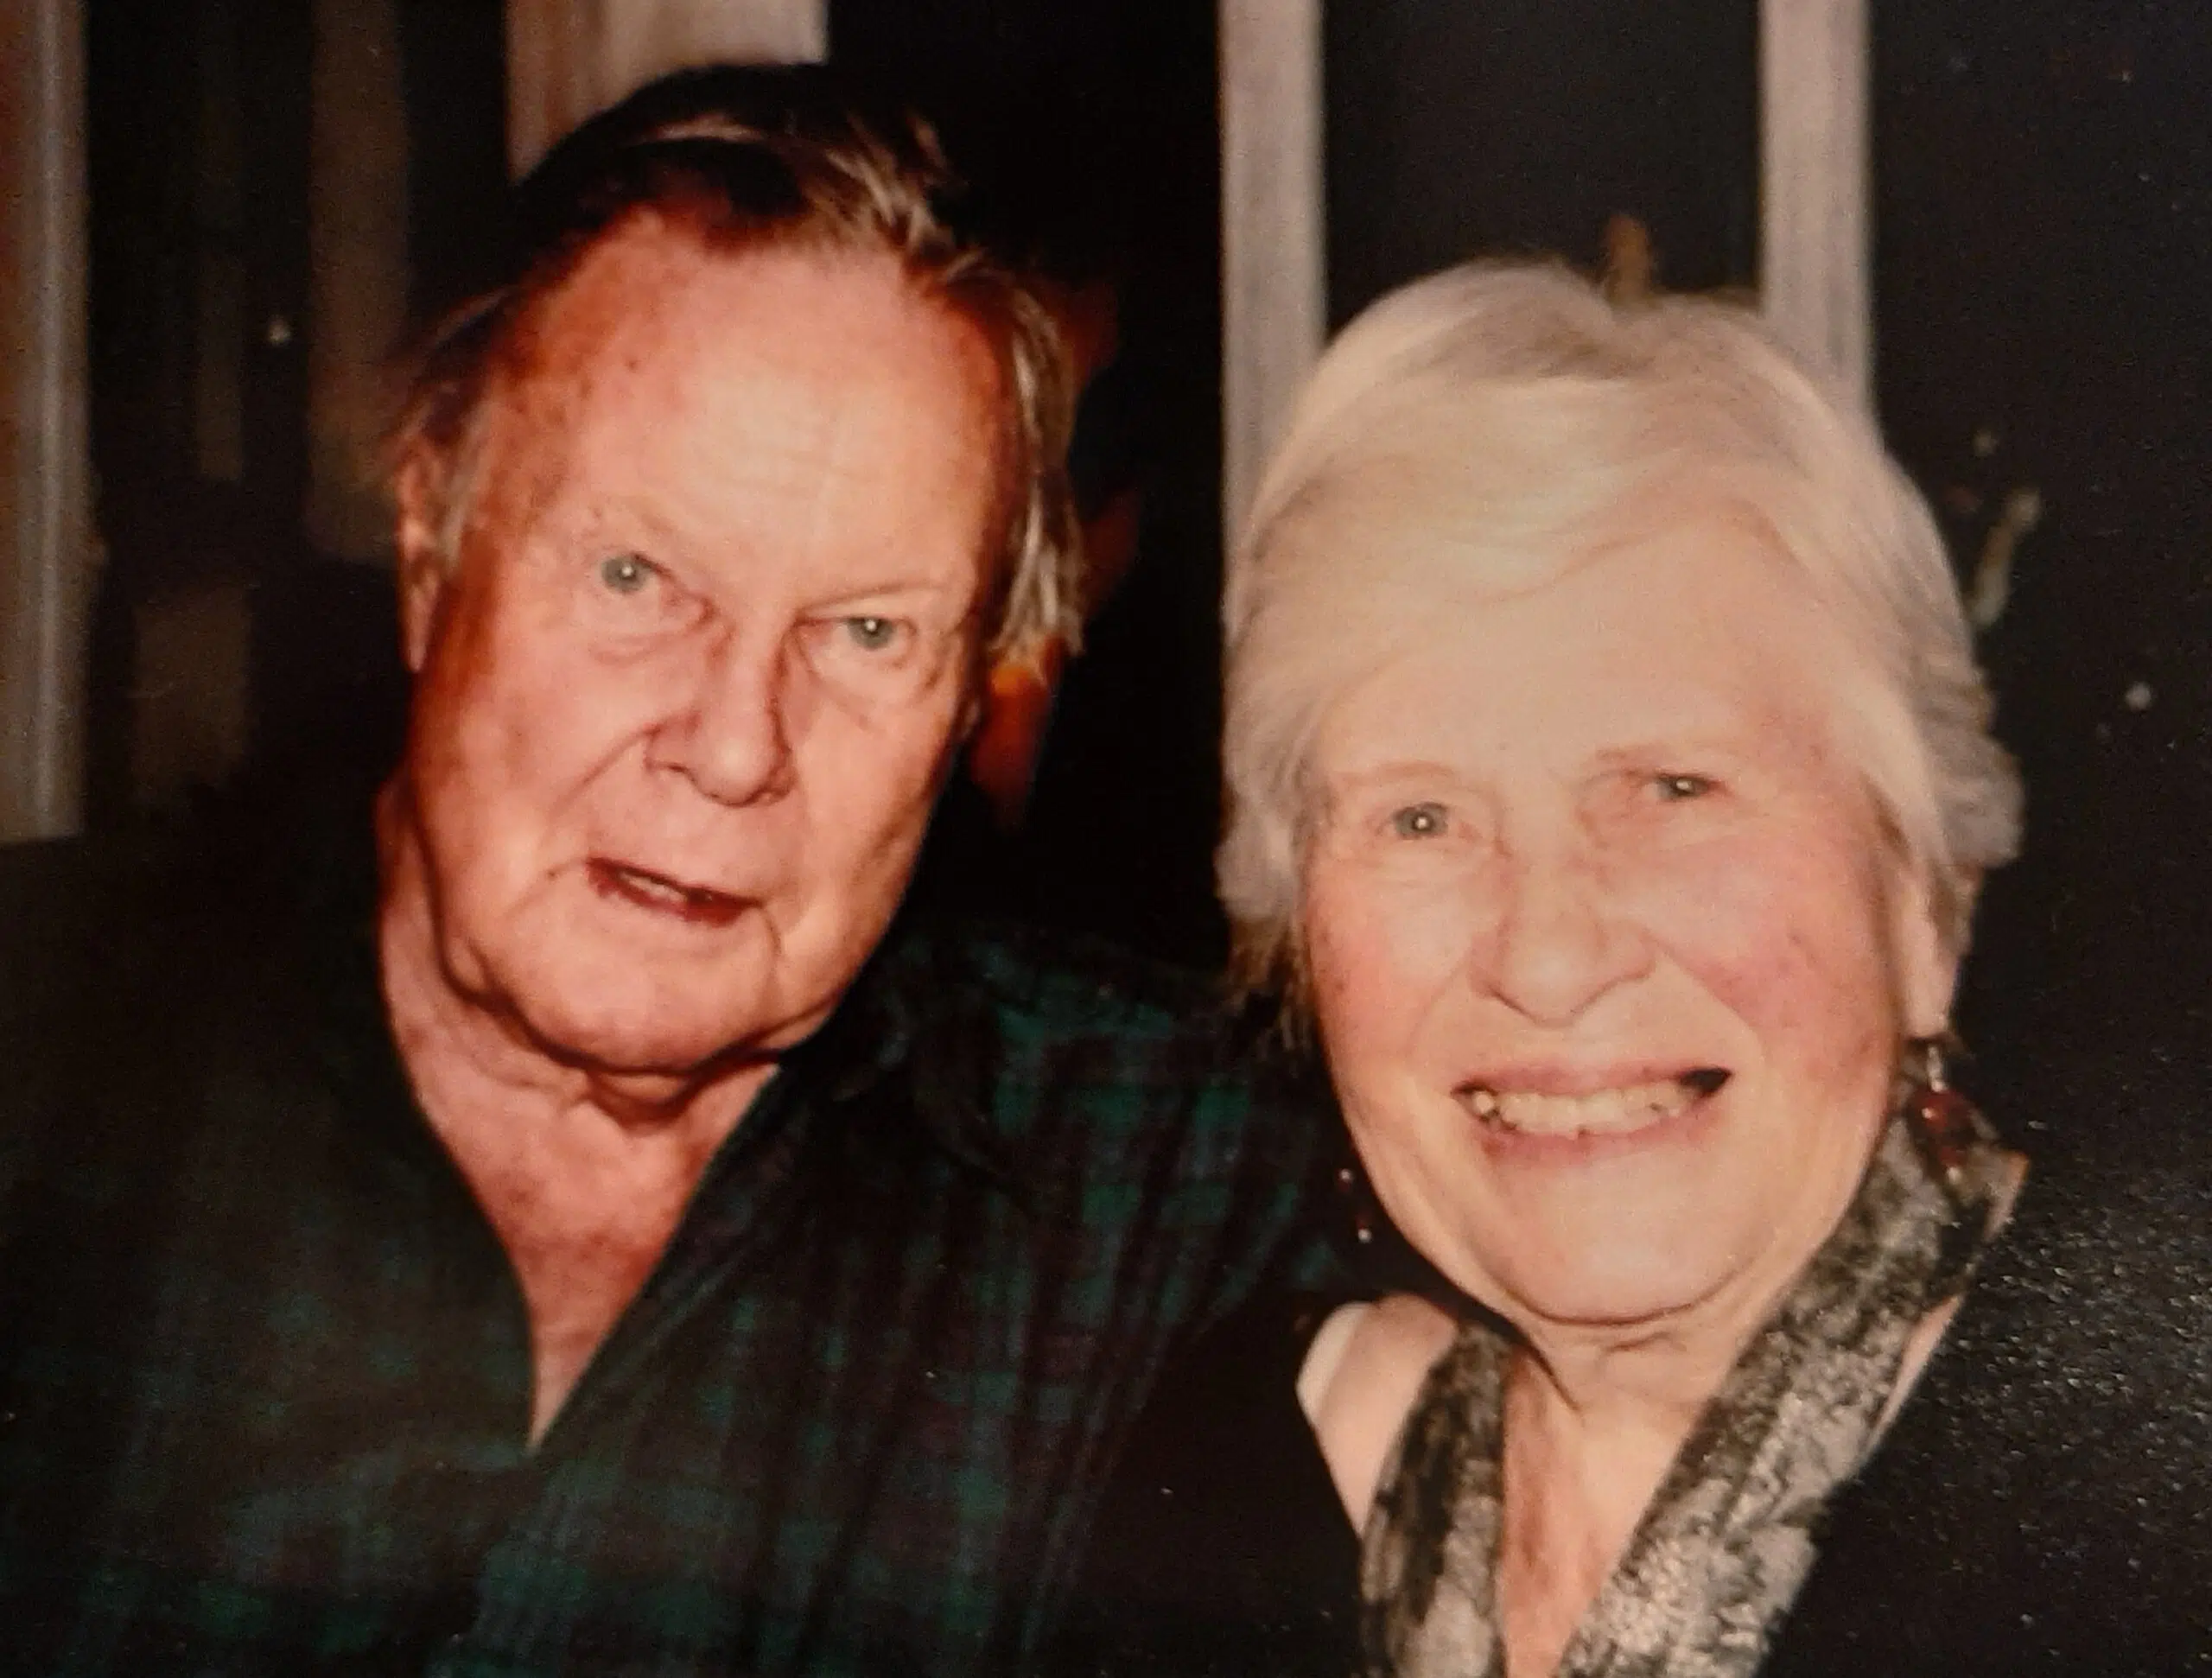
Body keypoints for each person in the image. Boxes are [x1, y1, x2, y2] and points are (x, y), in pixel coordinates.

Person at [0, 66, 1333, 1676]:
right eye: (636, 574)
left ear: (984, 672)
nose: (730, 742)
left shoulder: (1175, 1184)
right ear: (433, 543)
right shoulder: (46, 1048)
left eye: (866, 632)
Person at [1057, 263, 2212, 1675]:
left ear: (1924, 904)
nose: (1549, 954)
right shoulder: (1238, 1474)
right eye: (1423, 817)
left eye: (1671, 787)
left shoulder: (2157, 1494)